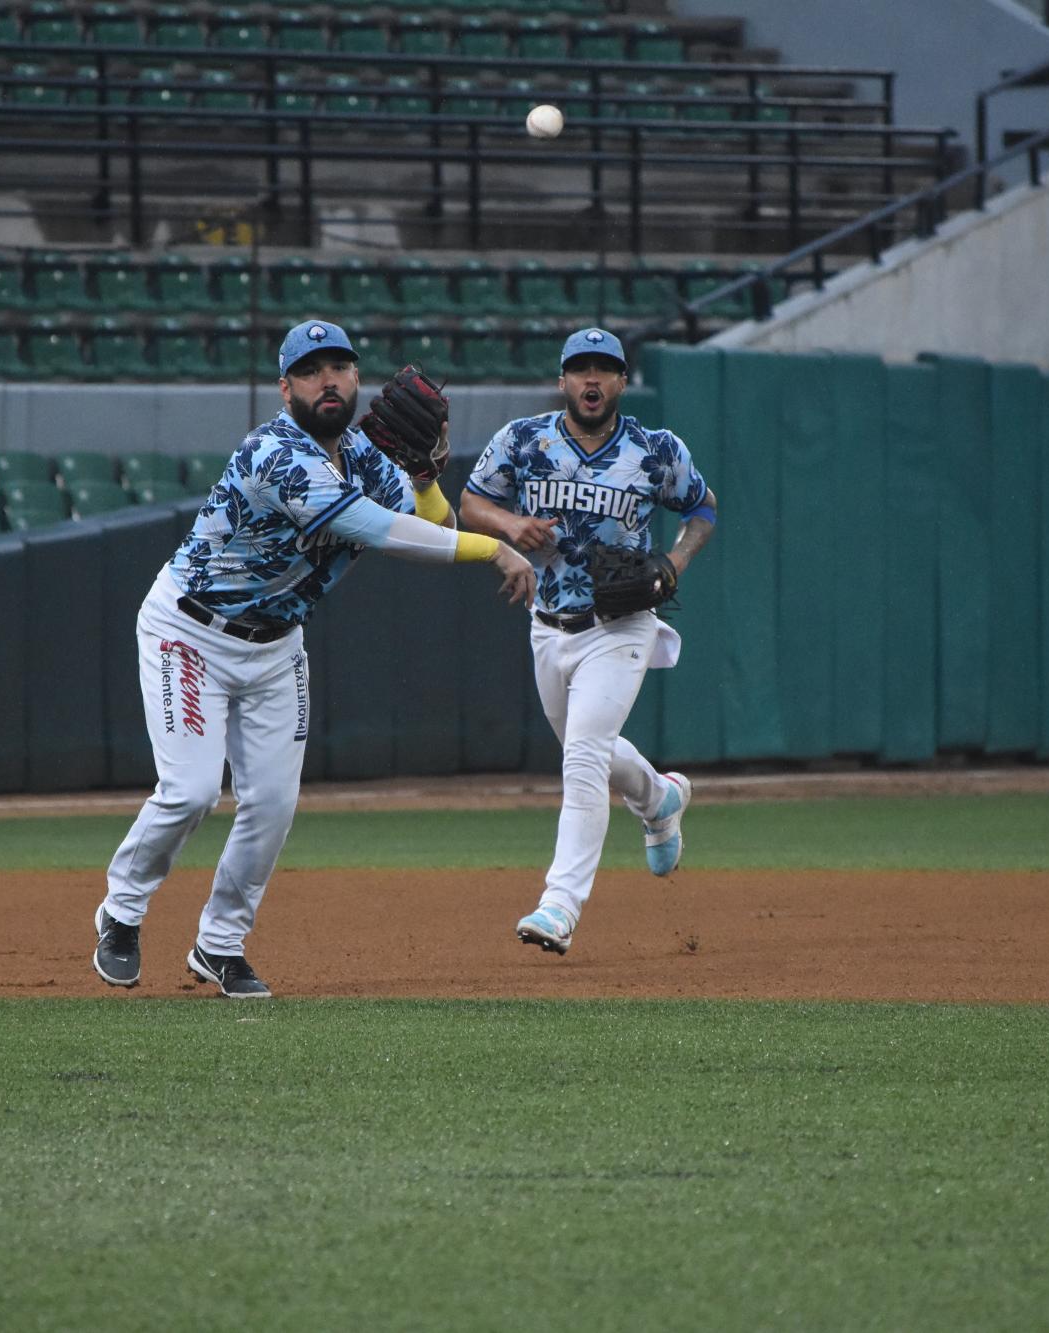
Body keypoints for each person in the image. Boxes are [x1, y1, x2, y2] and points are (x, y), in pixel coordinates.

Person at [92, 318, 534, 998]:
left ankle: (220, 942)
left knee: (271, 801)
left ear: (358, 379)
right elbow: (381, 532)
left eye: (340, 366)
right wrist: (495, 546)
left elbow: (433, 526)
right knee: (192, 790)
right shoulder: (275, 453)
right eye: (310, 369)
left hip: (276, 646)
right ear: (285, 386)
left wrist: (422, 478)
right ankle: (121, 912)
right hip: (193, 631)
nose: (328, 379)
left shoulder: (363, 459)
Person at [458, 327, 718, 956]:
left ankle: (560, 906)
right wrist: (510, 524)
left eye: (605, 370)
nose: (591, 381)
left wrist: (677, 564)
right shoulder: (524, 439)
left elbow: (702, 509)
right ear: (563, 380)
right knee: (589, 750)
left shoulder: (655, 449)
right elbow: (470, 503)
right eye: (581, 370)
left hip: (620, 626)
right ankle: (659, 797)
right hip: (548, 626)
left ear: (623, 381)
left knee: (580, 760)